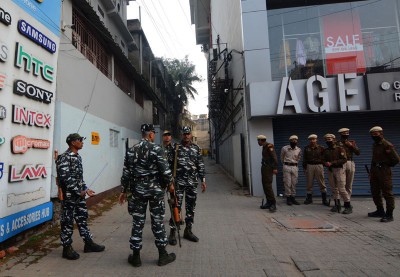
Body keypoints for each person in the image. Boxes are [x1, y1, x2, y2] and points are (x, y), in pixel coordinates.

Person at [119, 124, 176, 267]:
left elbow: (126, 172)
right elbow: (165, 170)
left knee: (137, 222)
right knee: (157, 221)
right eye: (153, 133)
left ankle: (136, 257)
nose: (154, 136)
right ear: (150, 134)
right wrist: (170, 185)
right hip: (155, 191)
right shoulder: (157, 149)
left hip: (138, 191)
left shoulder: (132, 150)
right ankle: (163, 255)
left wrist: (123, 191)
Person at [56, 133, 105, 260]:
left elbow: (79, 178)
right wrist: (79, 191)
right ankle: (66, 248)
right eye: (80, 140)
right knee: (67, 222)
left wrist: (85, 189)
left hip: (79, 196)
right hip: (69, 197)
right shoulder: (64, 158)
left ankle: (88, 244)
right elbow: (65, 178)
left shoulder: (78, 157)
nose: (82, 142)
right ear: (72, 142)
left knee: (82, 219)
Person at [168, 126, 206, 244]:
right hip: (178, 183)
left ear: (191, 135)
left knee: (190, 208)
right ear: (182, 134)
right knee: (176, 207)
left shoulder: (196, 148)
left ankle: (188, 231)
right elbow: (168, 165)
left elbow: (200, 165)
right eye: (184, 134)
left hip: (192, 183)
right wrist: (169, 182)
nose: (186, 136)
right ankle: (173, 232)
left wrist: (203, 180)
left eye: (188, 133)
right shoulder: (175, 148)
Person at [368, 126, 400, 222]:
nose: (374, 135)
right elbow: (374, 160)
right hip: (375, 171)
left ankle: (389, 214)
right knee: (375, 191)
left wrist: (386, 165)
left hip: (384, 172)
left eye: (376, 133)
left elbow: (396, 159)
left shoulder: (387, 145)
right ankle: (380, 210)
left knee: (387, 192)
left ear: (381, 133)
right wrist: (371, 172)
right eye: (373, 134)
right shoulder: (375, 144)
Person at [322, 134, 352, 214]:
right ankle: (337, 205)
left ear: (334, 139)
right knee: (334, 189)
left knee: (342, 189)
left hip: (339, 170)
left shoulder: (340, 149)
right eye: (327, 139)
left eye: (330, 139)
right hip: (330, 170)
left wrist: (332, 163)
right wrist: (326, 163)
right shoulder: (326, 150)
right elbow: (323, 160)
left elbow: (344, 159)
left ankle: (348, 206)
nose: (328, 140)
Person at [302, 134, 329, 206]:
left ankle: (324, 199)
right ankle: (309, 199)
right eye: (311, 139)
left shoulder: (321, 148)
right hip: (309, 166)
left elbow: (325, 157)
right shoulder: (306, 148)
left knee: (321, 182)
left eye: (314, 139)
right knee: (309, 183)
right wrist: (304, 168)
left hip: (318, 165)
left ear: (316, 139)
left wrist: (323, 165)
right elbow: (304, 159)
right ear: (309, 140)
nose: (312, 141)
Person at [336, 128, 360, 197]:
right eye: (344, 133)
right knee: (340, 182)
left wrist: (351, 146)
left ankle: (347, 200)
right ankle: (339, 199)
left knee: (349, 183)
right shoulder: (337, 143)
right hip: (340, 163)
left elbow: (358, 152)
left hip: (350, 162)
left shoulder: (352, 142)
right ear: (341, 134)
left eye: (347, 133)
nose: (346, 134)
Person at [257, 135, 278, 212]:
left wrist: (275, 168)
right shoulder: (264, 146)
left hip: (269, 168)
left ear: (261, 140)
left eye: (258, 141)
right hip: (265, 167)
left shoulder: (269, 146)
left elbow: (274, 158)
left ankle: (273, 204)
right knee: (265, 185)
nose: (258, 142)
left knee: (268, 185)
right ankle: (268, 202)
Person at [280, 135, 302, 205]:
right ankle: (288, 198)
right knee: (287, 183)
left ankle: (293, 198)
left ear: (297, 141)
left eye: (295, 140)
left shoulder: (298, 149)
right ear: (290, 141)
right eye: (292, 140)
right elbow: (282, 157)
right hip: (287, 166)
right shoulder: (284, 148)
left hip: (295, 167)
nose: (294, 141)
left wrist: (294, 163)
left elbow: (299, 158)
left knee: (294, 183)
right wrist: (285, 164)